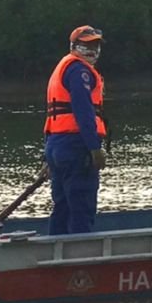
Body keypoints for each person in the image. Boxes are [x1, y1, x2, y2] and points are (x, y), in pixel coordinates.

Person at [44, 25, 108, 235]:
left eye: (96, 45)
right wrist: (94, 148)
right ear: (73, 46)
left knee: (62, 207)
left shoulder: (63, 67)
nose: (93, 50)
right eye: (87, 45)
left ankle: (55, 250)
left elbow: (55, 116)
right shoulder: (79, 71)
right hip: (76, 146)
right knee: (81, 207)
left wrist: (48, 156)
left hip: (56, 145)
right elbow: (83, 111)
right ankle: (81, 253)